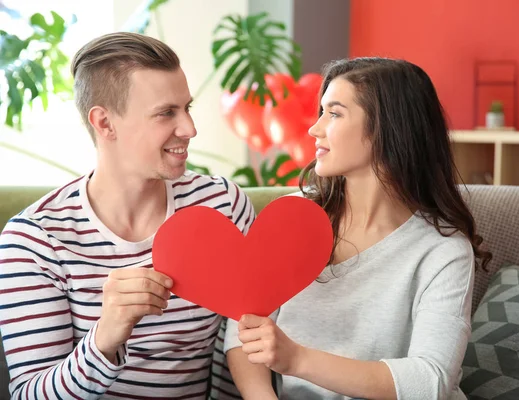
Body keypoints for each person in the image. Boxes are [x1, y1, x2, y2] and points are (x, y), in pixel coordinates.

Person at [0, 32, 254, 399]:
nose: (189, 129)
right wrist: (106, 336)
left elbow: (245, 339)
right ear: (105, 124)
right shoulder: (36, 240)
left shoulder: (222, 204)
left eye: (188, 108)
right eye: (167, 113)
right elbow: (29, 395)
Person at [223, 57, 492, 400]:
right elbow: (243, 328)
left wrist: (298, 359)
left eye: (334, 114)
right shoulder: (292, 217)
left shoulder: (441, 250)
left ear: (387, 128)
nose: (314, 128)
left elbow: (430, 382)